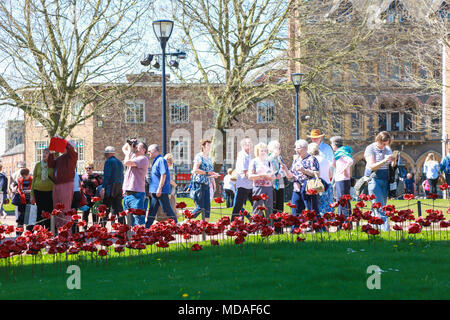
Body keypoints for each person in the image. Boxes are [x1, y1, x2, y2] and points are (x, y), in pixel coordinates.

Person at [281, 139, 320, 232]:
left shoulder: (312, 159)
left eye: (298, 148)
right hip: (297, 188)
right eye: (295, 148)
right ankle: (295, 230)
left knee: (312, 210)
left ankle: (318, 228)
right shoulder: (296, 160)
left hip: (308, 188)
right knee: (295, 210)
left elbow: (317, 174)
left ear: (305, 148)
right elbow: (291, 176)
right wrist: (286, 170)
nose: (296, 150)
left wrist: (304, 170)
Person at [364, 131, 394, 232]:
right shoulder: (370, 148)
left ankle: (373, 228)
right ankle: (385, 229)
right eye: (383, 143)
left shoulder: (388, 148)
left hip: (385, 178)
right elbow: (372, 166)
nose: (385, 146)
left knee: (382, 204)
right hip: (374, 178)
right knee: (378, 204)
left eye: (387, 143)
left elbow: (392, 165)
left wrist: (394, 160)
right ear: (378, 140)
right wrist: (384, 161)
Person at [47, 139, 78, 233]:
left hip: (66, 184)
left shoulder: (72, 156)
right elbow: (51, 164)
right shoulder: (61, 158)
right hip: (57, 184)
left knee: (65, 208)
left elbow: (71, 150)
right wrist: (51, 153)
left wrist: (64, 142)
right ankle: (59, 230)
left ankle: (66, 232)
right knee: (57, 208)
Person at [145, 145, 179, 227]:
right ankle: (147, 227)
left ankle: (176, 225)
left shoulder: (161, 160)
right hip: (155, 190)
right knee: (152, 210)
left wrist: (159, 188)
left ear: (155, 151)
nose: (148, 153)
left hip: (161, 191)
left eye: (150, 151)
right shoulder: (156, 160)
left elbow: (163, 174)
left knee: (167, 209)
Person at [189, 139, 219, 223]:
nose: (209, 148)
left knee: (207, 207)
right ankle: (186, 221)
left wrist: (213, 175)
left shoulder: (209, 158)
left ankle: (205, 226)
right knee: (200, 207)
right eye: (208, 146)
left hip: (207, 184)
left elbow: (210, 172)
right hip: (199, 184)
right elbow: (195, 170)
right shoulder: (199, 156)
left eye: (210, 146)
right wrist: (207, 172)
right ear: (203, 147)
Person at [122, 140, 149, 226]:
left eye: (138, 147)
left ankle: (141, 238)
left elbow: (126, 162)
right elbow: (124, 149)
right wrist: (130, 143)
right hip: (127, 194)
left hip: (136, 194)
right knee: (129, 222)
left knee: (138, 220)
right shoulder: (133, 156)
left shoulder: (143, 159)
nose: (136, 148)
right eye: (135, 146)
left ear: (144, 150)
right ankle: (132, 238)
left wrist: (129, 150)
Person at [248, 142, 275, 223]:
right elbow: (250, 176)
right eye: (261, 151)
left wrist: (270, 177)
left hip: (268, 187)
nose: (263, 152)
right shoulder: (254, 162)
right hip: (258, 187)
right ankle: (256, 227)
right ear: (257, 152)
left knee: (269, 208)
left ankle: (269, 227)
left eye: (264, 150)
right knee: (257, 207)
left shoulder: (269, 162)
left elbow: (273, 176)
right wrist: (261, 175)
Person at [330, 136, 354, 223]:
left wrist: (344, 169)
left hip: (343, 179)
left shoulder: (342, 152)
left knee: (343, 201)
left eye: (332, 144)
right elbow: (333, 165)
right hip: (339, 179)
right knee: (340, 201)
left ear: (335, 144)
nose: (331, 145)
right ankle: (341, 222)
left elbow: (350, 161)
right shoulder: (338, 153)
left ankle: (346, 222)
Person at [30, 148, 54, 229]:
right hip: (38, 191)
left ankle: (48, 230)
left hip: (50, 192)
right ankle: (39, 231)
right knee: (39, 212)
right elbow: (33, 180)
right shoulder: (37, 165)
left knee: (48, 212)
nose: (44, 154)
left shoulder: (53, 165)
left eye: (46, 153)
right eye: (43, 152)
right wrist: (32, 195)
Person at [308, 142, 333, 219]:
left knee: (319, 206)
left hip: (318, 185)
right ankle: (329, 222)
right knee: (328, 205)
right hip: (328, 184)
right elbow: (330, 174)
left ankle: (320, 223)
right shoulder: (325, 160)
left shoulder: (312, 160)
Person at [231, 137, 254, 222]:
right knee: (238, 205)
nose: (250, 145)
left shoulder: (250, 155)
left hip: (250, 184)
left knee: (255, 204)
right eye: (248, 144)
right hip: (243, 184)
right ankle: (233, 224)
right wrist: (256, 176)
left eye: (251, 143)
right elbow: (245, 170)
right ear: (243, 145)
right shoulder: (242, 155)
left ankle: (259, 222)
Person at [100, 146, 125, 224]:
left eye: (106, 154)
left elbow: (107, 176)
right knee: (119, 208)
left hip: (110, 187)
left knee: (106, 208)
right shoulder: (120, 162)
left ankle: (102, 227)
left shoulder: (108, 162)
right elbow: (122, 175)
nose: (105, 155)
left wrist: (103, 187)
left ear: (108, 154)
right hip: (119, 186)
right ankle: (123, 226)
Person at [154, 153, 179, 221]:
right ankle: (174, 222)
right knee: (167, 208)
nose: (170, 165)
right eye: (170, 163)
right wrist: (174, 184)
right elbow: (167, 179)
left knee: (162, 208)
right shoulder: (163, 167)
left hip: (162, 189)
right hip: (163, 190)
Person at [16, 168, 33, 235]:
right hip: (22, 201)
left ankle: (29, 233)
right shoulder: (20, 179)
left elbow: (34, 188)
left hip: (30, 201)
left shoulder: (32, 179)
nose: (24, 177)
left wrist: (29, 191)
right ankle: (18, 233)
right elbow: (19, 188)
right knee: (21, 218)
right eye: (23, 176)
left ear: (28, 174)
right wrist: (18, 191)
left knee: (29, 218)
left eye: (25, 175)